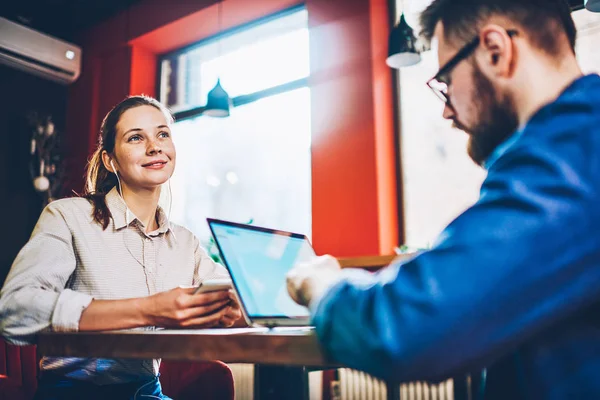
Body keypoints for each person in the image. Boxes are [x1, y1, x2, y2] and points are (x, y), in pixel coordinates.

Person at [287, 0, 600, 398]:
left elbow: (405, 329)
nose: (447, 112)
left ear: (495, 51)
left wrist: (322, 284)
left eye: (446, 82)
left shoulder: (575, 149)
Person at [0, 95, 242, 399]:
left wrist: (230, 308)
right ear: (110, 160)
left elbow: (236, 298)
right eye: (136, 137)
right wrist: (150, 309)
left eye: (162, 134)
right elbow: (14, 310)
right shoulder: (67, 216)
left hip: (149, 393)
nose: (155, 146)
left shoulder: (185, 243)